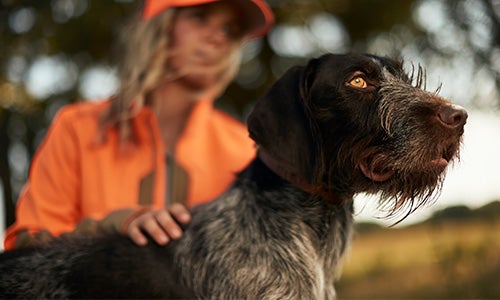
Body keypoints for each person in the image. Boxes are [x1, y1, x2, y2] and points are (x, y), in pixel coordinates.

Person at [4, 0, 274, 250]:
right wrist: (113, 227)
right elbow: (29, 247)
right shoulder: (77, 127)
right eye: (200, 17)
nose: (218, 37)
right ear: (159, 23)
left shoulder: (245, 148)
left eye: (230, 29)